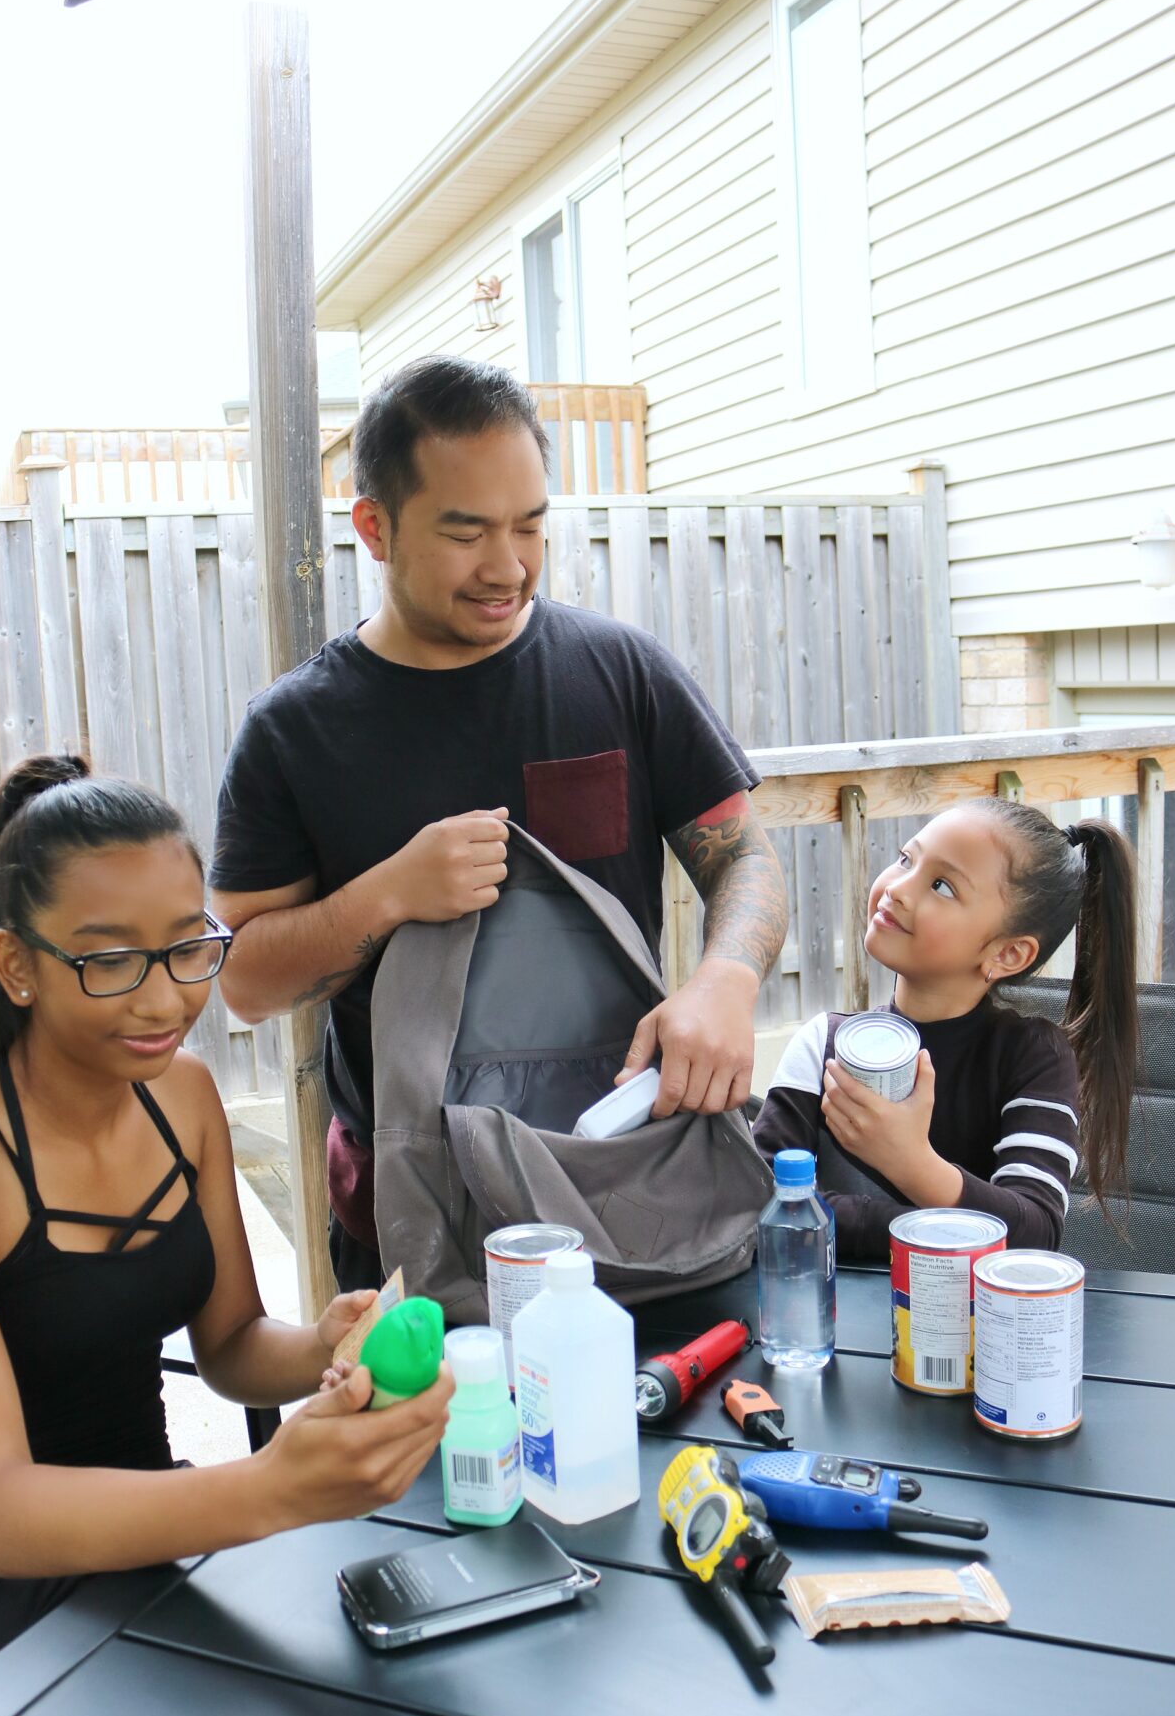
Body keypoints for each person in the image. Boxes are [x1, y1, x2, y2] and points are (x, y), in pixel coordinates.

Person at [0, 756, 453, 1709]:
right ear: (16, 966)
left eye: (187, 949)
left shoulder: (182, 1097)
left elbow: (228, 1346)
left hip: (149, 1543)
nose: (164, 999)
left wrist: (319, 1349)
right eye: (110, 960)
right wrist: (271, 1490)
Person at [211, 356, 788, 1291]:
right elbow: (242, 980)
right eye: (466, 531)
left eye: (530, 525)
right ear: (374, 527)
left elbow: (745, 862)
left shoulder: (621, 672)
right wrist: (389, 895)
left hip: (628, 1189)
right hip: (412, 1219)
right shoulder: (295, 729)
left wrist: (724, 980)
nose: (508, 565)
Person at [754, 799, 1138, 1257]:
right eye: (905, 859)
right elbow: (759, 1201)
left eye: (941, 886)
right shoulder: (824, 1044)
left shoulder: (1032, 1056)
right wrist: (950, 1233)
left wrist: (910, 1162)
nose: (898, 888)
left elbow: (1034, 1232)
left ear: (1007, 954)